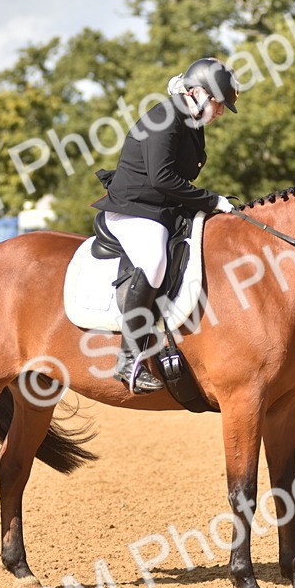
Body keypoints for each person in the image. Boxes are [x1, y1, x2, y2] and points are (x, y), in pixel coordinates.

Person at [91, 57, 240, 394]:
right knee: (154, 261)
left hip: (163, 207)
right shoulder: (165, 117)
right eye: (218, 104)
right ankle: (128, 359)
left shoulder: (190, 121)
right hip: (135, 208)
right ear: (200, 93)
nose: (219, 113)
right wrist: (211, 200)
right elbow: (161, 178)